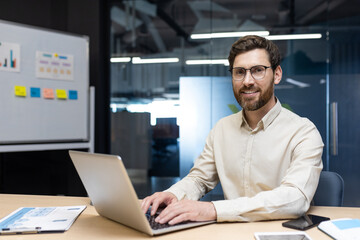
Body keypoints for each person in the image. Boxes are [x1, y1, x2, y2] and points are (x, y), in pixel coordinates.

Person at [141, 35, 324, 225]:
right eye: (239, 72)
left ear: (277, 74)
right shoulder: (222, 129)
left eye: (258, 71)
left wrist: (213, 209)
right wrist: (172, 194)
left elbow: (295, 198)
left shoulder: (304, 132)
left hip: (280, 233)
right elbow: (199, 179)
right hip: (230, 232)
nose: (247, 81)